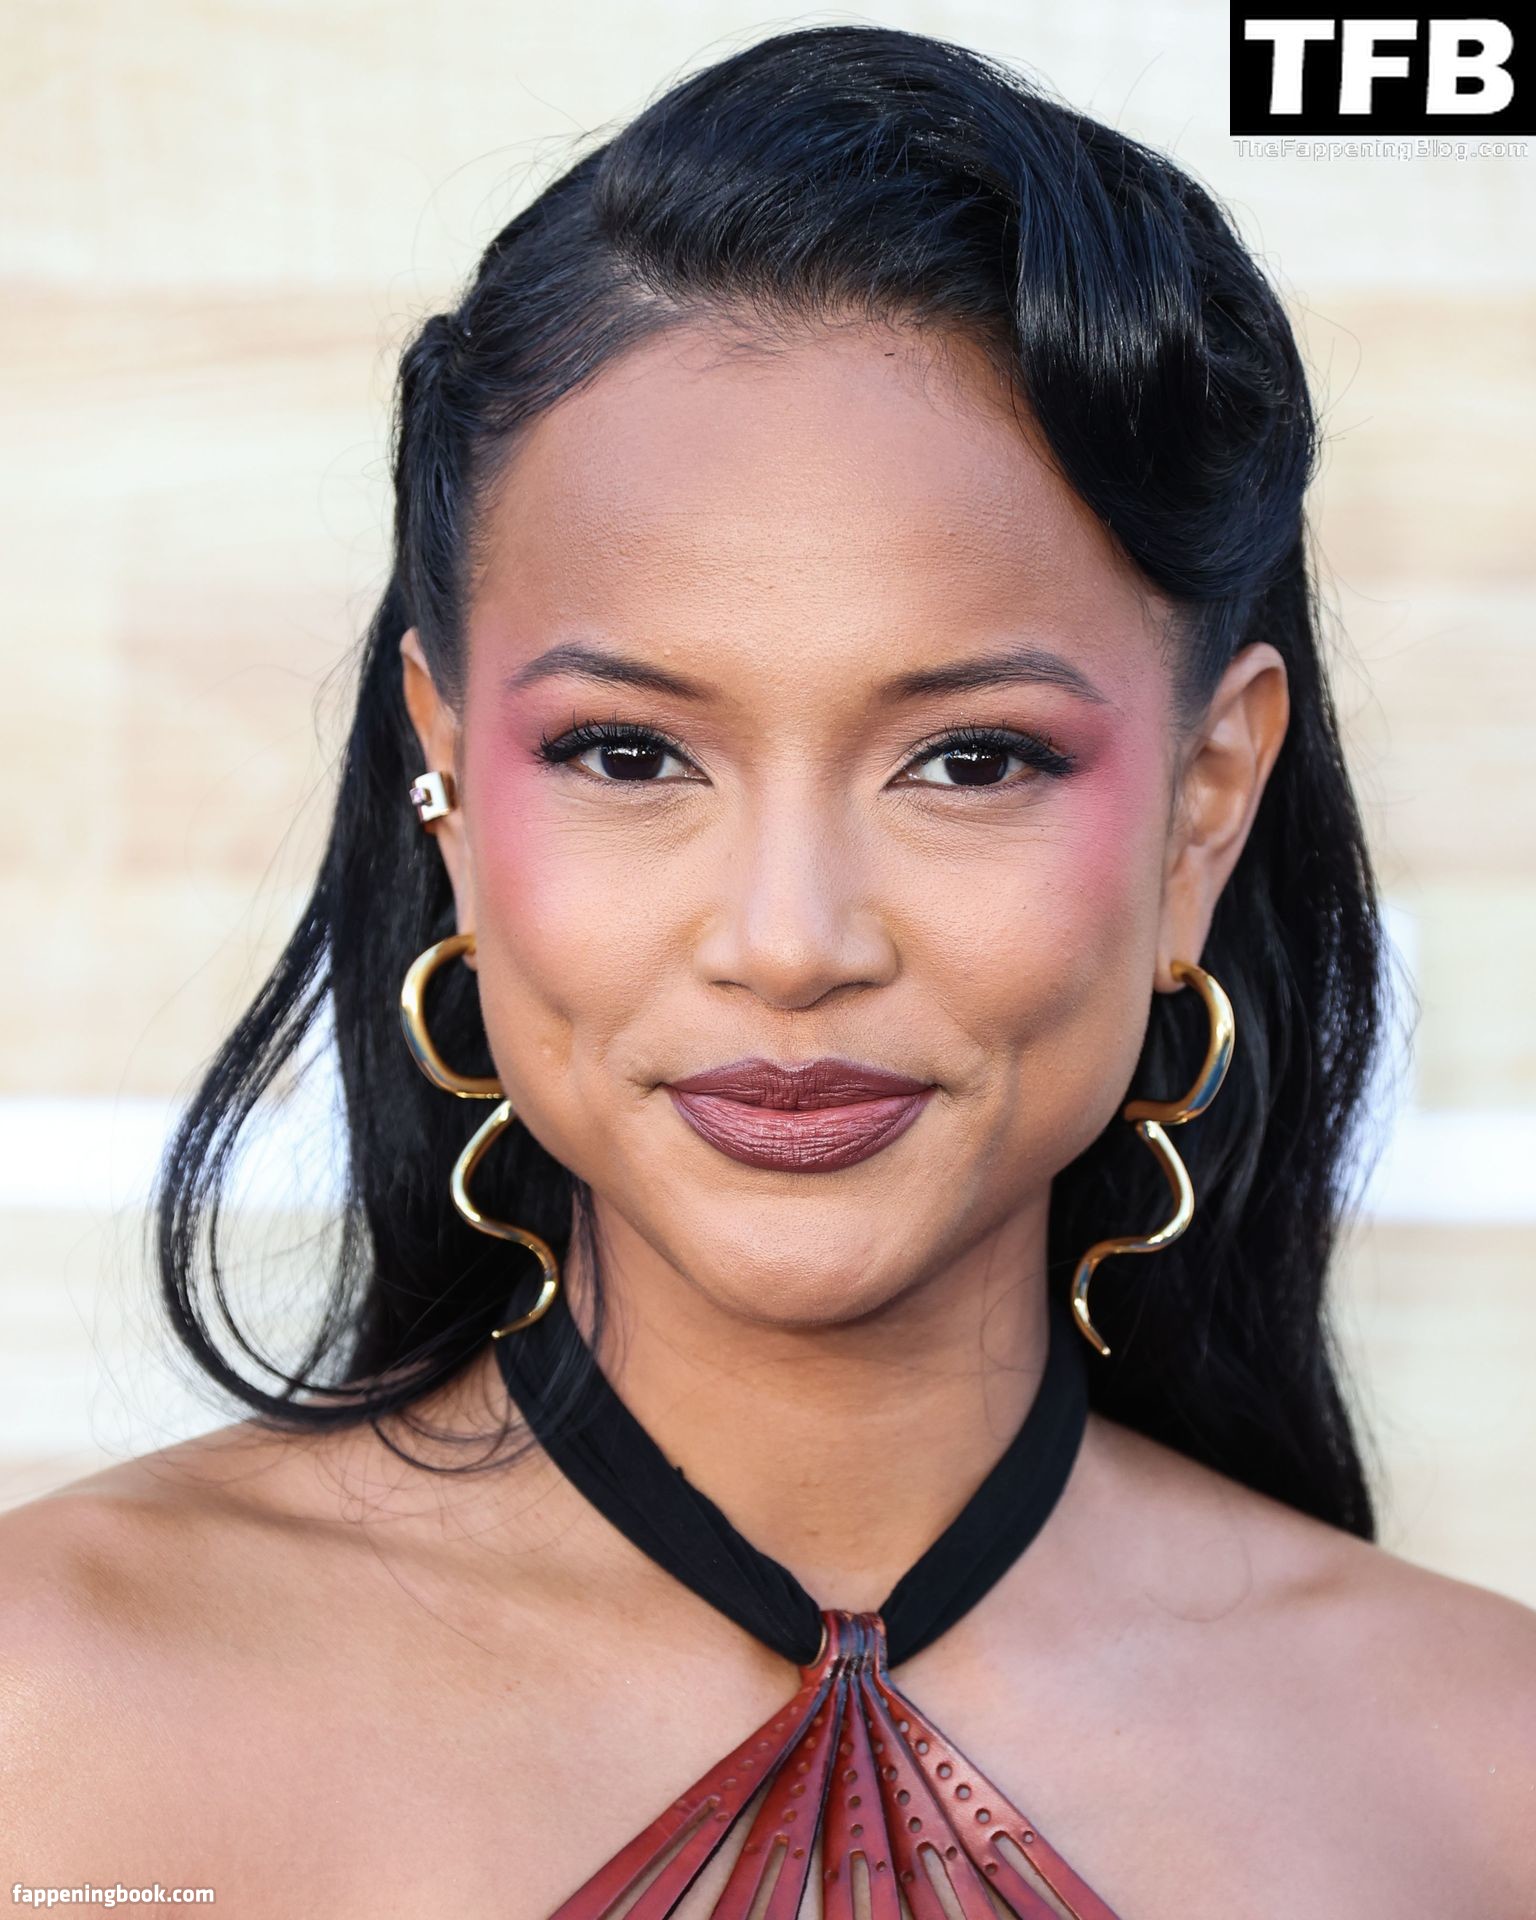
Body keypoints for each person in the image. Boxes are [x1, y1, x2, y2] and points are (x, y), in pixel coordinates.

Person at [3, 22, 1533, 1916]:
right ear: (449, 785)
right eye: (627, 754)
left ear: (1201, 808)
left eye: (970, 761)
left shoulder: (1487, 1781)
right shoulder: (47, 1724)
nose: (790, 944)